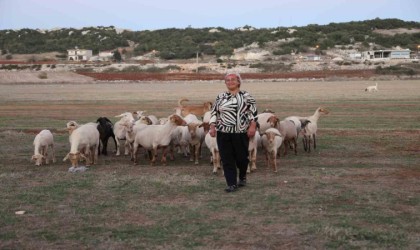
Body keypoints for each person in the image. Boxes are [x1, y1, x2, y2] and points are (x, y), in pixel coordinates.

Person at [209, 72, 258, 192]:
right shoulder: (220, 97)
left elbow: (253, 113)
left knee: (242, 158)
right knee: (226, 158)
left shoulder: (246, 96)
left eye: (233, 80)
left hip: (240, 132)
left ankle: (242, 176)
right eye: (227, 80)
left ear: (238, 82)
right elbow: (214, 112)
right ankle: (231, 183)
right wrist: (212, 126)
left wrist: (252, 126)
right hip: (223, 132)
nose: (230, 82)